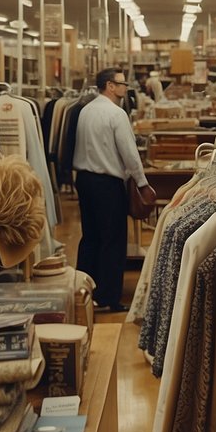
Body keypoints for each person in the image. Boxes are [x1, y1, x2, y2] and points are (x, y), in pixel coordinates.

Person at [73, 67, 155, 313]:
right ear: (110, 85)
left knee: (90, 237)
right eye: (122, 83)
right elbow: (129, 153)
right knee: (113, 239)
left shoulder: (85, 111)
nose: (125, 87)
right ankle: (108, 297)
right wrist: (142, 183)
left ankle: (83, 291)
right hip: (108, 184)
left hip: (85, 181)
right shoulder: (116, 114)